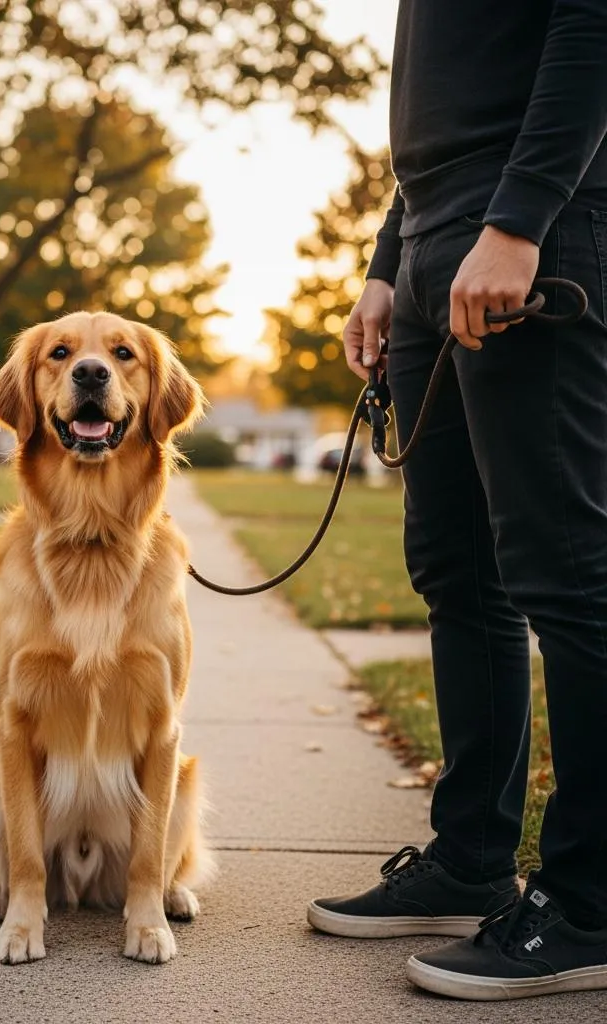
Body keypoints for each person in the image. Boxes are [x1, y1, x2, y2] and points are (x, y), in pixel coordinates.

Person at [305, 0, 607, 1002]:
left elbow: (586, 26)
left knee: (563, 573)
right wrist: (391, 262)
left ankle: (588, 906)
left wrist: (517, 220)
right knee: (458, 574)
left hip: (537, 227)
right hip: (439, 237)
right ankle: (472, 855)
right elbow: (443, 108)